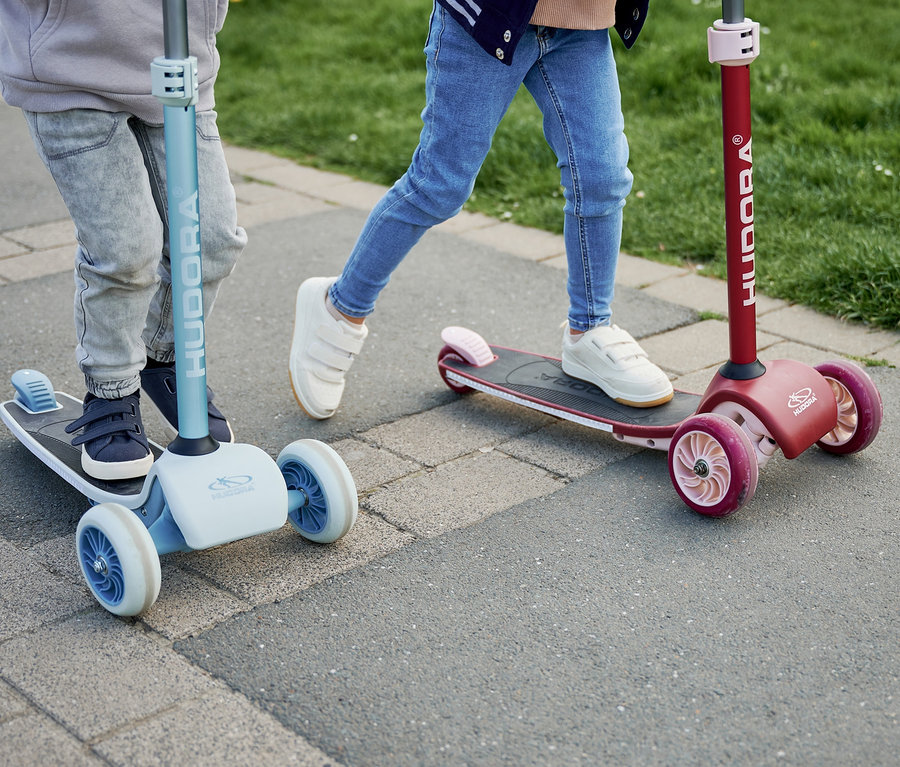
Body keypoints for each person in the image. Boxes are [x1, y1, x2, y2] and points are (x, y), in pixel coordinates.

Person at [289, 0, 672, 421]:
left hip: (583, 21)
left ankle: (590, 330)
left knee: (603, 178)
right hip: (489, 18)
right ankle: (339, 308)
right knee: (439, 185)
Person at [0, 0, 242, 480]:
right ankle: (110, 393)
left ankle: (162, 358)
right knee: (126, 252)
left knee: (211, 242)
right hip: (71, 72)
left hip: (181, 68)